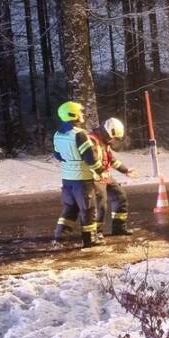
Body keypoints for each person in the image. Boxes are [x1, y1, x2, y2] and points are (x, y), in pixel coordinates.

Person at [52, 100, 102, 248]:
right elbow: (90, 158)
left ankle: (60, 237)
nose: (82, 115)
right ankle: (90, 239)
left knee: (70, 207)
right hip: (82, 180)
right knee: (88, 208)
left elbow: (58, 155)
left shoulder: (57, 134)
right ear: (72, 115)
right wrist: (100, 170)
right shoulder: (80, 135)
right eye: (79, 112)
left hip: (67, 179)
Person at [92, 117, 134, 235]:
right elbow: (91, 160)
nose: (113, 141)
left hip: (104, 175)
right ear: (106, 131)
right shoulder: (92, 140)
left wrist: (125, 170)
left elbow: (111, 159)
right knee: (100, 204)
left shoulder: (105, 142)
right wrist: (100, 172)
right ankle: (96, 233)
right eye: (113, 138)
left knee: (120, 196)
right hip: (94, 177)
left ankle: (119, 228)